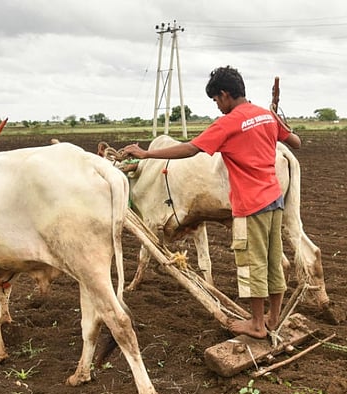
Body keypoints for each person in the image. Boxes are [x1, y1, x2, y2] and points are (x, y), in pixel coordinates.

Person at [121, 66, 302, 340]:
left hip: (251, 204)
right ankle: (272, 318)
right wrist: (276, 114)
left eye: (216, 100)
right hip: (274, 199)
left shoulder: (228, 123)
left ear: (226, 94)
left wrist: (147, 153)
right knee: (273, 260)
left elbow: (190, 149)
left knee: (253, 264)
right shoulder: (265, 115)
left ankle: (256, 324)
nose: (217, 106)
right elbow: (296, 142)